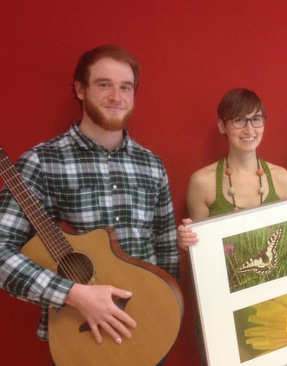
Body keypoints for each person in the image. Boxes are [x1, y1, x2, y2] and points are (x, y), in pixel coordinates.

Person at [0, 45, 179, 355]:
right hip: (82, 339)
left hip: (148, 332)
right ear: (81, 89)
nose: (116, 96)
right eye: (104, 84)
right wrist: (73, 294)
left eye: (126, 87)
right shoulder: (41, 162)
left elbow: (166, 246)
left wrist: (167, 312)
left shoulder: (152, 165)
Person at [177, 88, 287, 363]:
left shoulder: (283, 179)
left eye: (256, 119)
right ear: (222, 125)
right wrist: (187, 240)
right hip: (223, 308)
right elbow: (201, 256)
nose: (249, 129)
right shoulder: (202, 181)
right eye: (238, 120)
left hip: (276, 309)